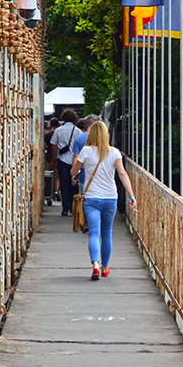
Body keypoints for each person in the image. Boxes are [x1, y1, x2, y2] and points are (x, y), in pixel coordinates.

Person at [69, 120, 135, 280]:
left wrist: (77, 168)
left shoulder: (85, 151)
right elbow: (122, 174)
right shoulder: (114, 152)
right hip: (110, 198)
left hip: (92, 198)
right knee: (107, 233)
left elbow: (73, 171)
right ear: (106, 135)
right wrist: (131, 195)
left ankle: (95, 265)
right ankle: (105, 267)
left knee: (94, 232)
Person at [49, 108, 78, 216]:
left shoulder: (58, 130)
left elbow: (53, 145)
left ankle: (65, 208)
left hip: (62, 160)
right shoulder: (77, 131)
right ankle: (73, 207)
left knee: (64, 184)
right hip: (75, 161)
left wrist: (54, 159)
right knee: (74, 184)